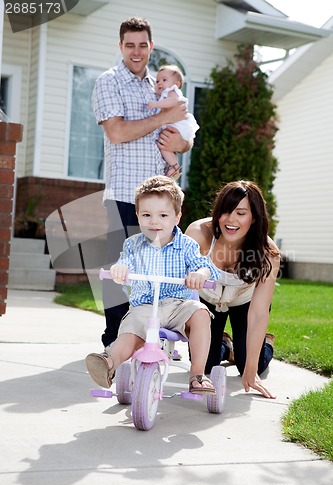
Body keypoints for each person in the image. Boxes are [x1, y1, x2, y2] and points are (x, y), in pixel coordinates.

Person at [92, 17, 193, 349]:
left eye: (143, 45)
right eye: (130, 45)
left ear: (151, 46)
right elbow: (117, 132)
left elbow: (186, 134)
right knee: (120, 269)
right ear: (120, 46)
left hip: (161, 197)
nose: (137, 51)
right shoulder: (109, 82)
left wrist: (180, 145)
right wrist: (164, 117)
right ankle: (114, 341)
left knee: (157, 270)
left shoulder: (161, 85)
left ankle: (149, 340)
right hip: (125, 192)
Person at [85, 176, 221, 394]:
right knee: (130, 331)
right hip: (145, 307)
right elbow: (124, 263)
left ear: (177, 217)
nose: (154, 222)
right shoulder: (132, 244)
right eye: (146, 215)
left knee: (201, 314)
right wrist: (120, 270)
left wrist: (199, 274)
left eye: (163, 215)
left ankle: (197, 375)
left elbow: (205, 266)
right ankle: (109, 363)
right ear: (137, 215)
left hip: (179, 305)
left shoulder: (186, 245)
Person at [185, 180, 281, 399]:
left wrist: (251, 368)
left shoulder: (268, 253)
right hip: (207, 300)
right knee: (205, 365)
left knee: (250, 365)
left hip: (244, 303)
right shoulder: (199, 233)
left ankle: (265, 343)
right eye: (226, 211)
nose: (231, 219)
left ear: (254, 217)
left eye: (241, 213)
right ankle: (225, 346)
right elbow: (179, 282)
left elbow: (258, 313)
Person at [147, 65, 199, 178]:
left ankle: (173, 166)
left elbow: (172, 102)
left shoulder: (172, 91)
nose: (159, 83)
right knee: (166, 146)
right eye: (157, 81)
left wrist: (156, 104)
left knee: (163, 145)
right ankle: (173, 167)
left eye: (164, 80)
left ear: (176, 84)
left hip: (178, 125)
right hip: (174, 126)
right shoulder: (163, 93)